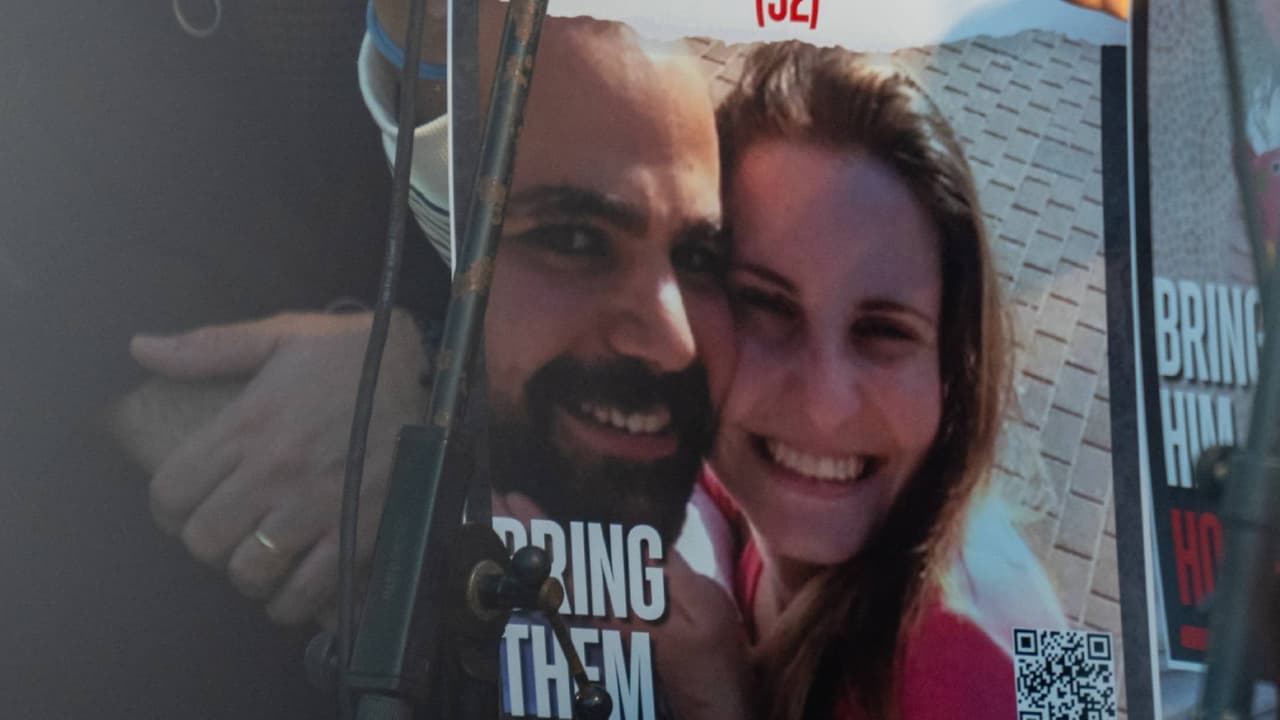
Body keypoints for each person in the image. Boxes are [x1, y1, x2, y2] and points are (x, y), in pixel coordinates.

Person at [680, 42, 1022, 719]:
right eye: (766, 306)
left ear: (952, 373)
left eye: (884, 332)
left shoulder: (970, 676)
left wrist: (717, 694)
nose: (825, 405)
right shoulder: (920, 506)